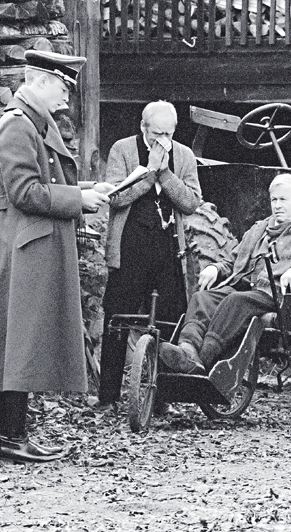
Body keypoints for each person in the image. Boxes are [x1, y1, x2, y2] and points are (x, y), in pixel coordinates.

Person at [0, 50, 112, 463]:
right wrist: (78, 200)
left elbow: (45, 181)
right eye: (63, 88)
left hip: (35, 243)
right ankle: (10, 439)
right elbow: (25, 192)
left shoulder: (32, 123)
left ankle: (15, 436)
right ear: (40, 81)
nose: (67, 99)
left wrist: (87, 190)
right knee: (18, 344)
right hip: (26, 246)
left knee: (25, 342)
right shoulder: (16, 126)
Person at [159, 173, 291, 373]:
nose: (277, 205)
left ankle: (204, 359)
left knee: (236, 301)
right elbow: (233, 260)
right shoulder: (259, 229)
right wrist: (216, 268)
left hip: (277, 297)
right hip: (245, 287)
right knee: (202, 298)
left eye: (283, 199)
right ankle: (188, 348)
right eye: (274, 200)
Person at [98, 101, 201, 409]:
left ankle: (161, 398)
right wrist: (148, 175)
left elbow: (191, 202)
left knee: (169, 318)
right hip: (130, 245)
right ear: (143, 127)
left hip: (168, 247)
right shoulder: (122, 149)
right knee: (118, 317)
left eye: (169, 133)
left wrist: (165, 173)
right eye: (157, 133)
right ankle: (108, 397)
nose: (163, 140)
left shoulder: (184, 155)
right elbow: (116, 197)